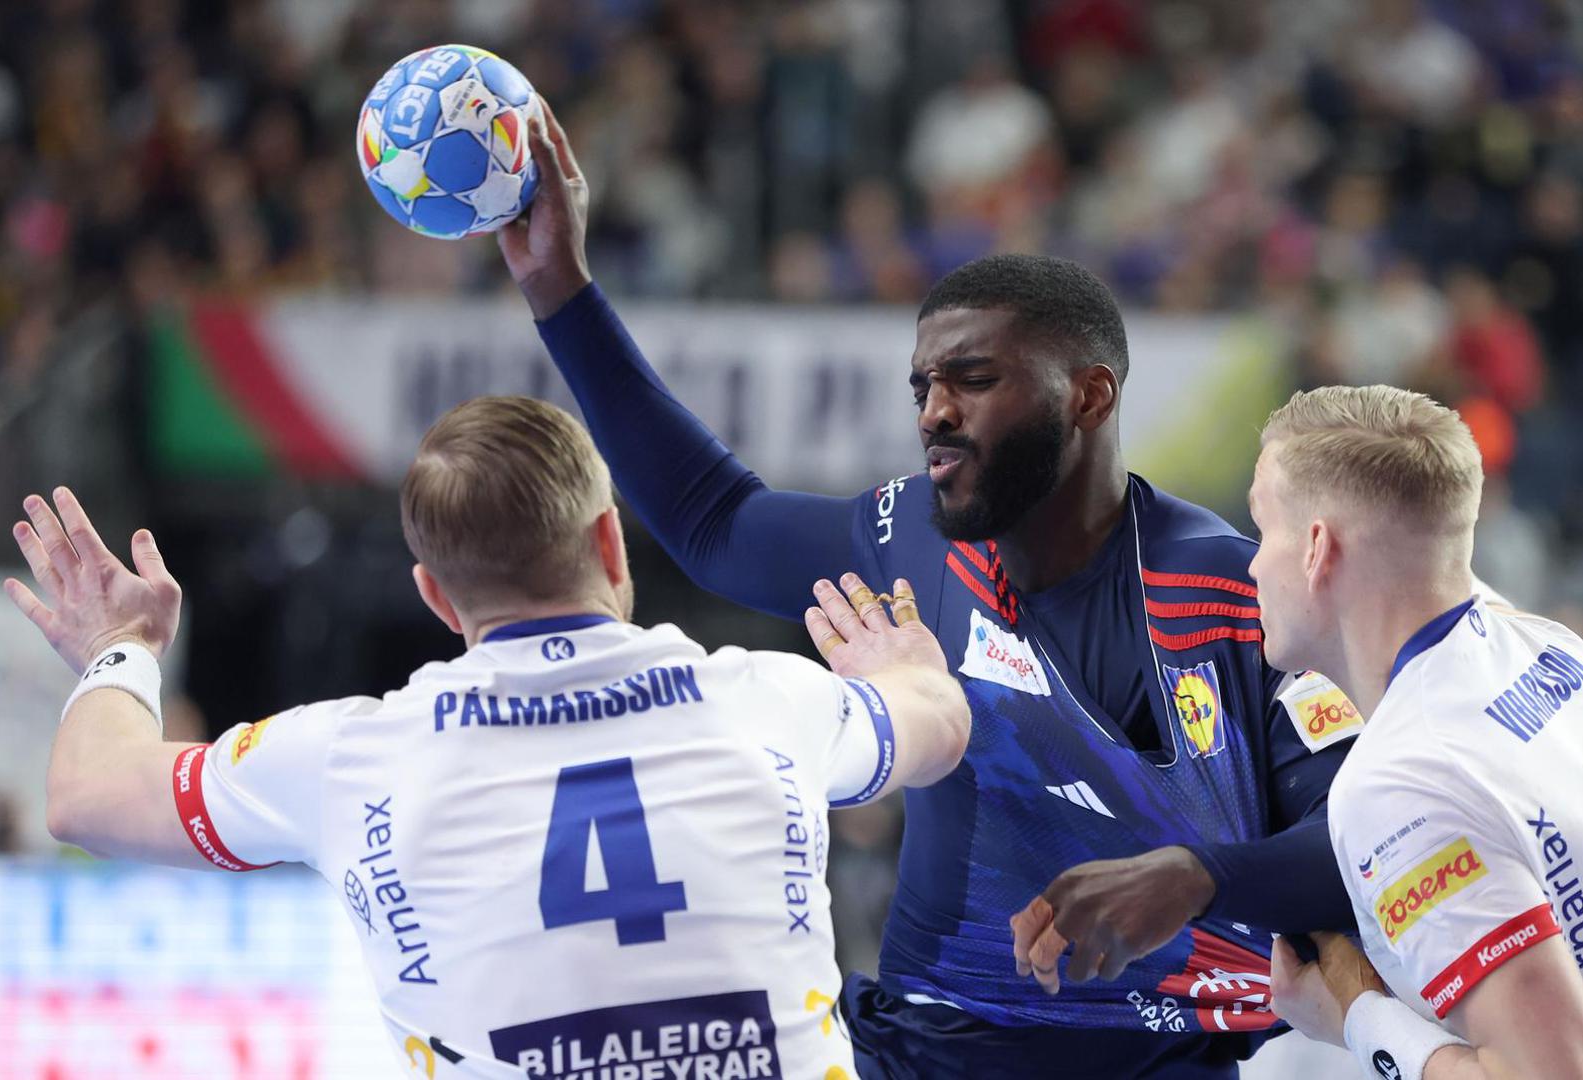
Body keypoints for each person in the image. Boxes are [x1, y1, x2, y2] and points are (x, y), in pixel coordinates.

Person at [499, 104, 1361, 1077]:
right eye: (923, 387)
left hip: (1169, 1058)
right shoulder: (904, 537)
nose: (935, 412)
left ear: (1088, 396)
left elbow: (1357, 844)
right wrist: (560, 292)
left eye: (974, 379)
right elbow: (713, 523)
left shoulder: (1224, 590)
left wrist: (1194, 877)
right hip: (921, 1047)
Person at [4, 396, 971, 1078]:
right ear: (609, 541)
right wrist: (899, 668)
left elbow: (88, 797)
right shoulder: (764, 699)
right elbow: (939, 726)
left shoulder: (351, 758)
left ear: (435, 594)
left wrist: (120, 646)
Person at [1251, 386, 1583, 1080]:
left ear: (1316, 548)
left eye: (1262, 528)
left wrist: (1356, 1019)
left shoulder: (1397, 781)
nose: (1252, 564)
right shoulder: (1548, 647)